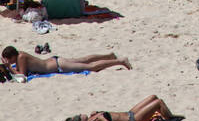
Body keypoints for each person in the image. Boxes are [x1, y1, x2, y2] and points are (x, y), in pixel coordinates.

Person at [62, 97, 174, 121]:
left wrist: (97, 113)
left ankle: (169, 116)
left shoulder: (92, 117)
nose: (80, 115)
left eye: (77, 115)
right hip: (134, 120)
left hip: (130, 113)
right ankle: (172, 120)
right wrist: (102, 119)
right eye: (78, 118)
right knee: (158, 102)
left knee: (153, 97)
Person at [1, 46, 130, 76]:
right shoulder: (20, 55)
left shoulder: (21, 58)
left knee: (90, 66)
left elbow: (21, 75)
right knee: (84, 59)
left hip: (58, 65)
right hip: (55, 61)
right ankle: (109, 55)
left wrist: (9, 67)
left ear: (12, 56)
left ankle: (120, 61)